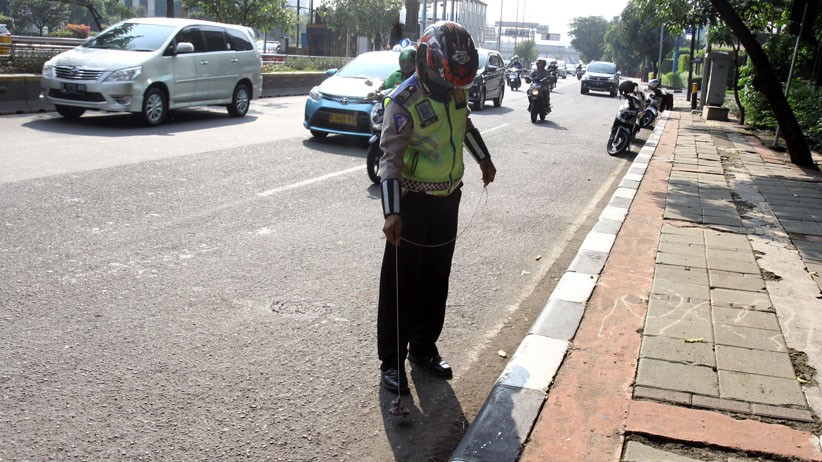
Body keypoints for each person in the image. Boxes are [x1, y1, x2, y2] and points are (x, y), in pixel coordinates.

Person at [376, 20, 497, 394]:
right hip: (411, 205)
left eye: (457, 82)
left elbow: (465, 128)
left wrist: (484, 160)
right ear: (429, 63)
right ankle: (392, 361)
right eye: (447, 80)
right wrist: (392, 212)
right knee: (401, 285)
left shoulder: (456, 94)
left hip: (448, 200)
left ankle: (423, 348)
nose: (452, 88)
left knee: (435, 280)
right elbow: (389, 160)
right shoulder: (404, 101)